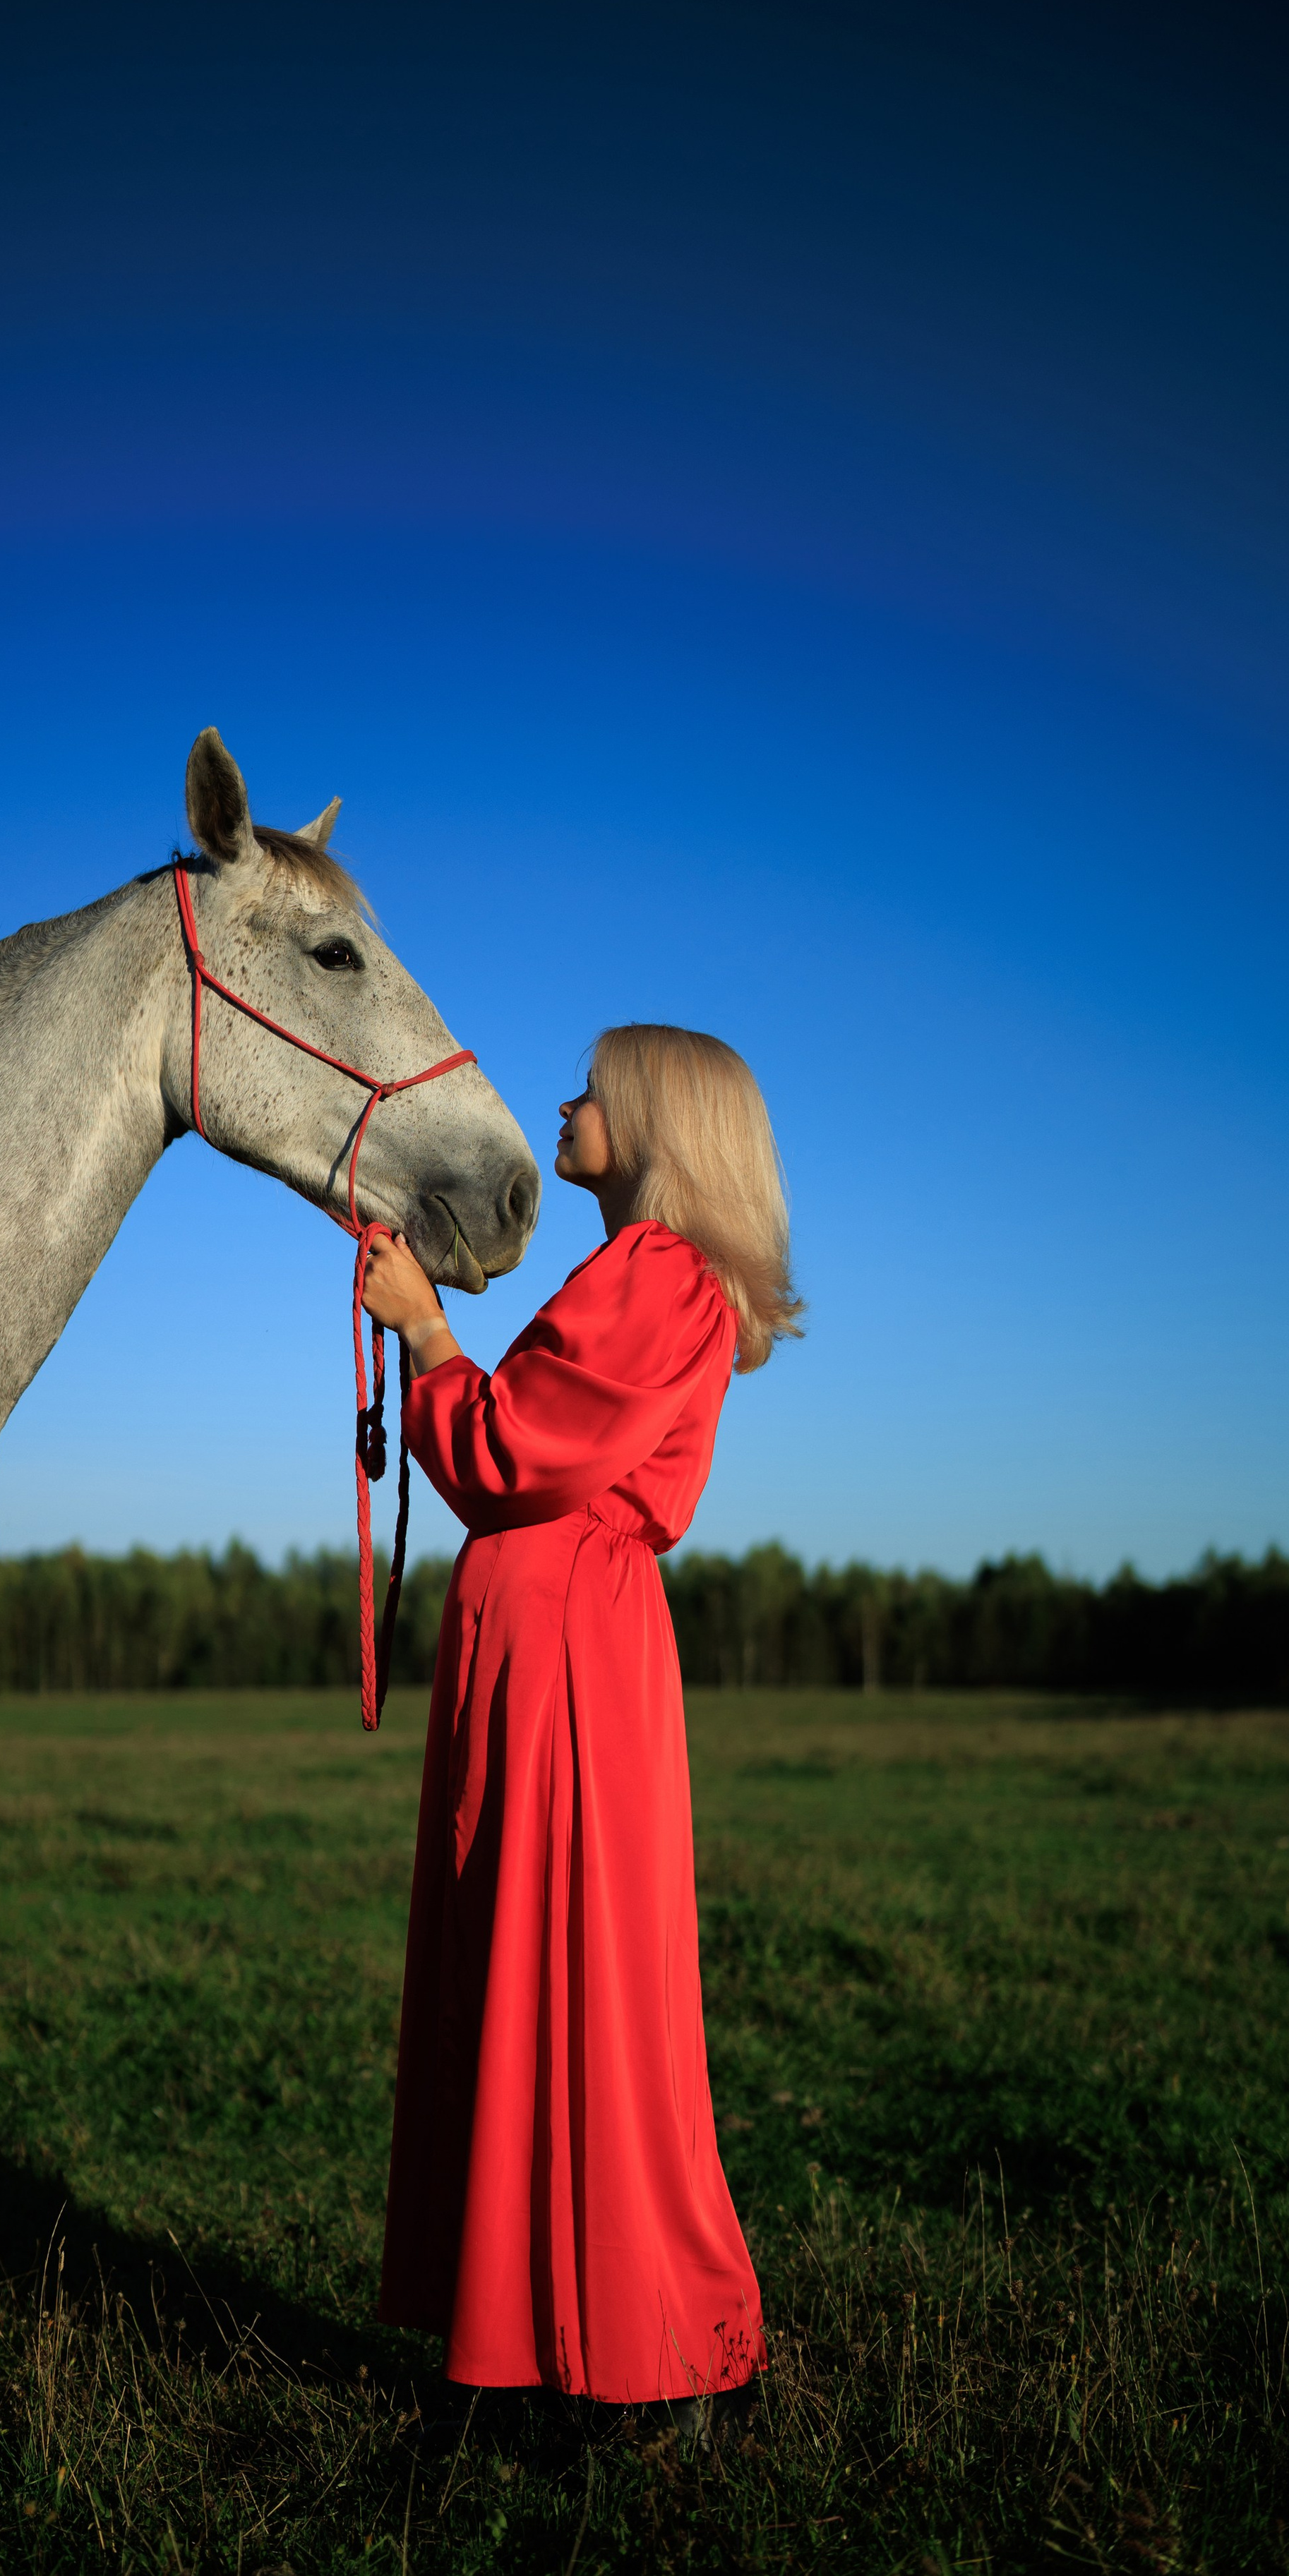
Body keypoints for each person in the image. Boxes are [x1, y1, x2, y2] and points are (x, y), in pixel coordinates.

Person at [361, 1022, 803, 2437]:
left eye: (593, 1092)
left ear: (654, 1127)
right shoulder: (652, 1277)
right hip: (564, 1643)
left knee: (569, 1975)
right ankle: (549, 2334)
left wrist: (426, 1332)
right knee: (549, 1969)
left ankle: (643, 2346)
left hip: (563, 1654)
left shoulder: (654, 1272)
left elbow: (506, 1451)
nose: (565, 1103)